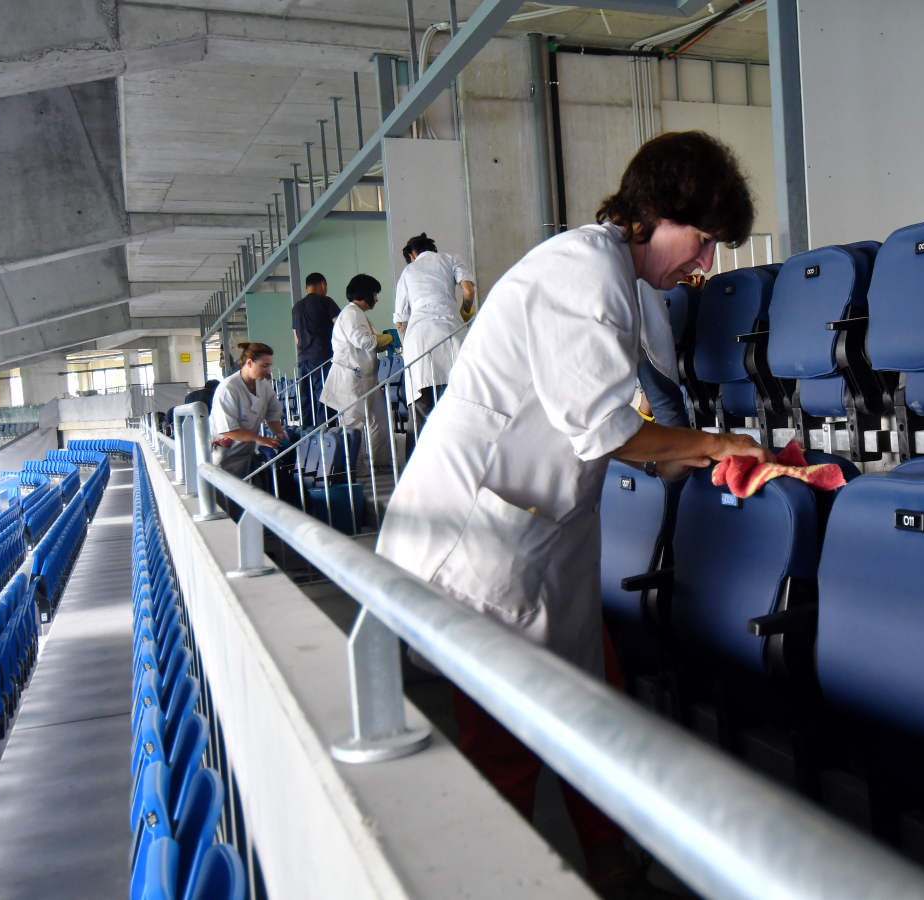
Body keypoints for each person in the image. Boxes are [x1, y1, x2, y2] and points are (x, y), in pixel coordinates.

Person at [374, 131, 770, 889]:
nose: (704, 265)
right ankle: (515, 880)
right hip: (484, 542)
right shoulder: (583, 270)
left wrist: (708, 453)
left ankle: (610, 866)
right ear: (654, 212)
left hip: (540, 537)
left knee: (597, 712)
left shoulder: (615, 279)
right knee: (508, 743)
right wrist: (715, 445)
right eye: (703, 240)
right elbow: (607, 428)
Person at [392, 233, 475, 446]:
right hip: (451, 334)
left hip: (419, 341)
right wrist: (465, 311)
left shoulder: (408, 271)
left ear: (412, 254)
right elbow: (468, 290)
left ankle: (415, 472)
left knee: (420, 413)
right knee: (457, 406)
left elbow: (400, 320)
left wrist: (406, 346)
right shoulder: (450, 259)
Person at [319, 274, 394, 472]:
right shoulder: (351, 313)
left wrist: (380, 340)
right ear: (365, 293)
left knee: (378, 420)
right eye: (375, 294)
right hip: (351, 378)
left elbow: (367, 342)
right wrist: (387, 338)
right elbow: (364, 341)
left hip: (367, 377)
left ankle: (381, 463)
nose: (377, 299)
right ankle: (353, 469)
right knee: (353, 426)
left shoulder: (358, 314)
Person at [207, 343, 285, 478]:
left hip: (246, 453)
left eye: (269, 366)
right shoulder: (228, 388)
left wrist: (279, 433)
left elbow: (272, 415)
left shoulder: (264, 386)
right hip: (223, 456)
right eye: (264, 366)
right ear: (249, 363)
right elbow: (228, 430)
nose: (268, 371)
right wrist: (260, 439)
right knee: (224, 495)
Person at [292, 272, 341, 430]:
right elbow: (340, 326)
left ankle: (308, 438)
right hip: (322, 358)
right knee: (325, 399)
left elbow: (297, 337)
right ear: (322, 285)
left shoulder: (296, 307)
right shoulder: (326, 302)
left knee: (307, 402)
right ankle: (327, 436)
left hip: (302, 360)